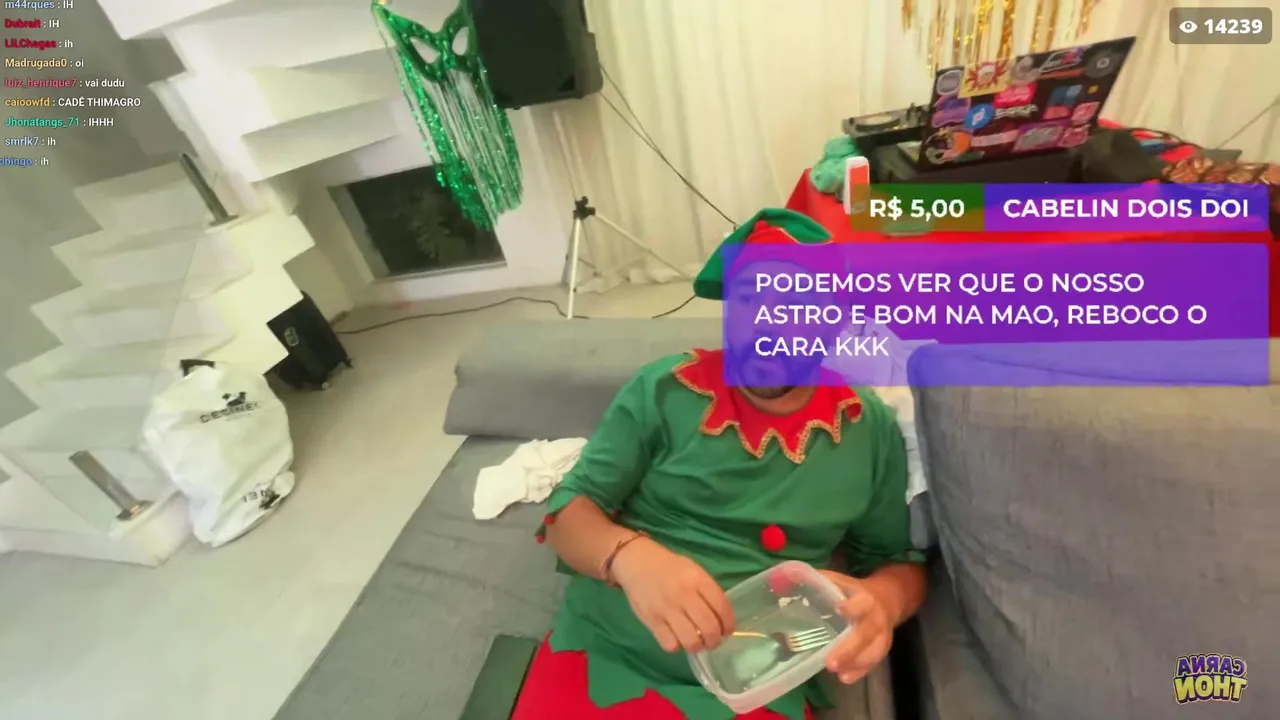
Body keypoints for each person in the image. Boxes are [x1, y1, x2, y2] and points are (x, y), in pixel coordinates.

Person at [511, 209, 928, 720]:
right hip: (611, 651)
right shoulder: (664, 390)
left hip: (756, 674)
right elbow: (568, 514)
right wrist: (631, 558)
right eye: (750, 299)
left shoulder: (868, 428)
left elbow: (897, 561)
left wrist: (883, 601)